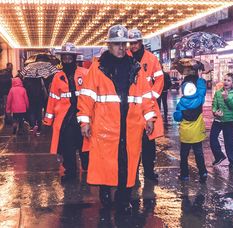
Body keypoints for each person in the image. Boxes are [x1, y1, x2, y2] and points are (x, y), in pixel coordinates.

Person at [77, 25, 156, 214]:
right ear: (109, 46)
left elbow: (145, 96)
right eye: (116, 44)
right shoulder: (98, 68)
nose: (121, 48)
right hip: (106, 127)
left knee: (128, 163)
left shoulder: (135, 68)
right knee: (106, 162)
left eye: (123, 44)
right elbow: (86, 97)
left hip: (130, 126)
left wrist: (150, 117)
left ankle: (124, 198)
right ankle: (105, 193)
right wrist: (84, 121)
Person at [43, 43, 88, 182]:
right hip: (65, 119)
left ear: (75, 58)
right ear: (62, 59)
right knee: (68, 146)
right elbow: (52, 99)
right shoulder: (57, 77)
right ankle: (70, 172)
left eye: (70, 58)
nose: (67, 60)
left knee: (85, 146)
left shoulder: (85, 73)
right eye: (65, 58)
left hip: (82, 116)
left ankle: (88, 170)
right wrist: (48, 120)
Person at [128, 28, 164, 182]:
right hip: (132, 106)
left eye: (135, 42)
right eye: (131, 43)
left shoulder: (151, 59)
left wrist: (151, 98)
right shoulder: (126, 57)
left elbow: (159, 80)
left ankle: (149, 171)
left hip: (148, 106)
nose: (133, 46)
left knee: (149, 141)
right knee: (133, 141)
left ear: (141, 42)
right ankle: (133, 172)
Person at [173, 70, 208, 183]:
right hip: (197, 133)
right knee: (199, 153)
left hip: (186, 135)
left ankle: (184, 175)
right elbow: (202, 90)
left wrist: (178, 114)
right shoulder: (199, 100)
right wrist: (200, 78)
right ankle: (203, 172)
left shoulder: (181, 103)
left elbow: (177, 117)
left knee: (184, 155)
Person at [210, 73, 233, 169]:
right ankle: (219, 156)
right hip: (218, 120)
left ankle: (232, 161)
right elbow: (214, 104)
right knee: (212, 138)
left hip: (229, 121)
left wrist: (226, 98)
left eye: (229, 80)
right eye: (225, 80)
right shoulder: (218, 92)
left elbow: (232, 106)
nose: (226, 82)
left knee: (229, 142)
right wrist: (215, 112)